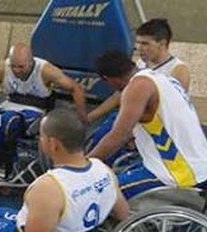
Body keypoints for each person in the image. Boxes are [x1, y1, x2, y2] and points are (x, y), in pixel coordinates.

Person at [0, 109, 128, 232]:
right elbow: (122, 213)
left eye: (41, 136)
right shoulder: (104, 170)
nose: (40, 140)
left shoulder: (48, 188)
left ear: (53, 144)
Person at [88, 50, 207, 199]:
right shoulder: (163, 79)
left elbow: (118, 135)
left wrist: (85, 163)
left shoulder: (138, 86)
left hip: (179, 173)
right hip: (199, 165)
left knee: (99, 194)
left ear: (108, 79)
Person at [0, 43, 87, 178]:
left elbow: (76, 88)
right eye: (13, 66)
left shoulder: (46, 70)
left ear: (31, 61)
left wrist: (82, 116)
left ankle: (8, 164)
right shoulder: (1, 68)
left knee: (11, 121)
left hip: (35, 109)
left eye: (21, 66)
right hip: (9, 104)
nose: (16, 70)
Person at [86, 19, 191, 164]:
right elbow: (121, 93)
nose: (139, 48)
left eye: (145, 44)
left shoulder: (178, 70)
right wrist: (90, 116)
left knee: (114, 139)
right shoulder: (142, 64)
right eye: (138, 43)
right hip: (137, 119)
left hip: (161, 130)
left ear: (162, 43)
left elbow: (172, 111)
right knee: (104, 131)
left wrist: (131, 133)